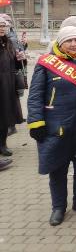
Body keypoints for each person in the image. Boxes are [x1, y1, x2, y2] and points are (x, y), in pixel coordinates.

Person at [27, 26, 76, 226]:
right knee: (57, 168)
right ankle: (58, 207)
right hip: (57, 126)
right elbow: (34, 96)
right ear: (60, 43)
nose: (74, 44)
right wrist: (35, 122)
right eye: (69, 41)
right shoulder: (47, 63)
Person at [0, 17, 24, 157]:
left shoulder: (8, 43)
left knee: (6, 116)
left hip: (8, 83)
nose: (2, 28)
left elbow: (14, 64)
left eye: (3, 25)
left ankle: (3, 144)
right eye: (0, 26)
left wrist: (20, 58)